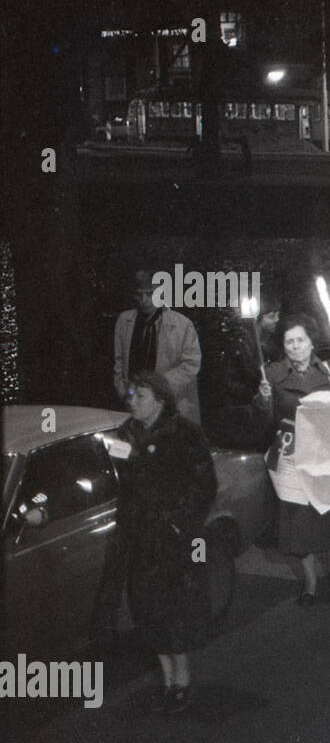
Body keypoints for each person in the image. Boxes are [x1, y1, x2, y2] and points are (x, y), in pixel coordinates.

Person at [113, 371, 217, 714]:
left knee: (174, 609)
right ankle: (167, 676)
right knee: (147, 607)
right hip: (140, 537)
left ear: (159, 400)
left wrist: (178, 524)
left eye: (140, 396)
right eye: (131, 395)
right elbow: (120, 479)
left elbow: (204, 484)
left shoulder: (183, 433)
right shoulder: (125, 434)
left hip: (172, 540)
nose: (133, 401)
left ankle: (182, 679)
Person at [255, 316, 330, 604]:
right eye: (289, 342)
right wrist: (263, 400)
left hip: (325, 452)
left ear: (311, 342)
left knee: (329, 510)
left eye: (300, 340)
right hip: (291, 455)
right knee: (298, 521)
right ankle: (310, 581)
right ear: (283, 346)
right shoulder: (270, 374)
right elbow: (263, 420)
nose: (295, 347)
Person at [114, 270, 202, 424]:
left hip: (170, 404)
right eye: (140, 295)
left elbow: (191, 364)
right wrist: (124, 392)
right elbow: (119, 362)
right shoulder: (124, 321)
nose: (144, 300)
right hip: (133, 403)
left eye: (150, 294)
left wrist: (158, 390)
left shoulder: (183, 325)